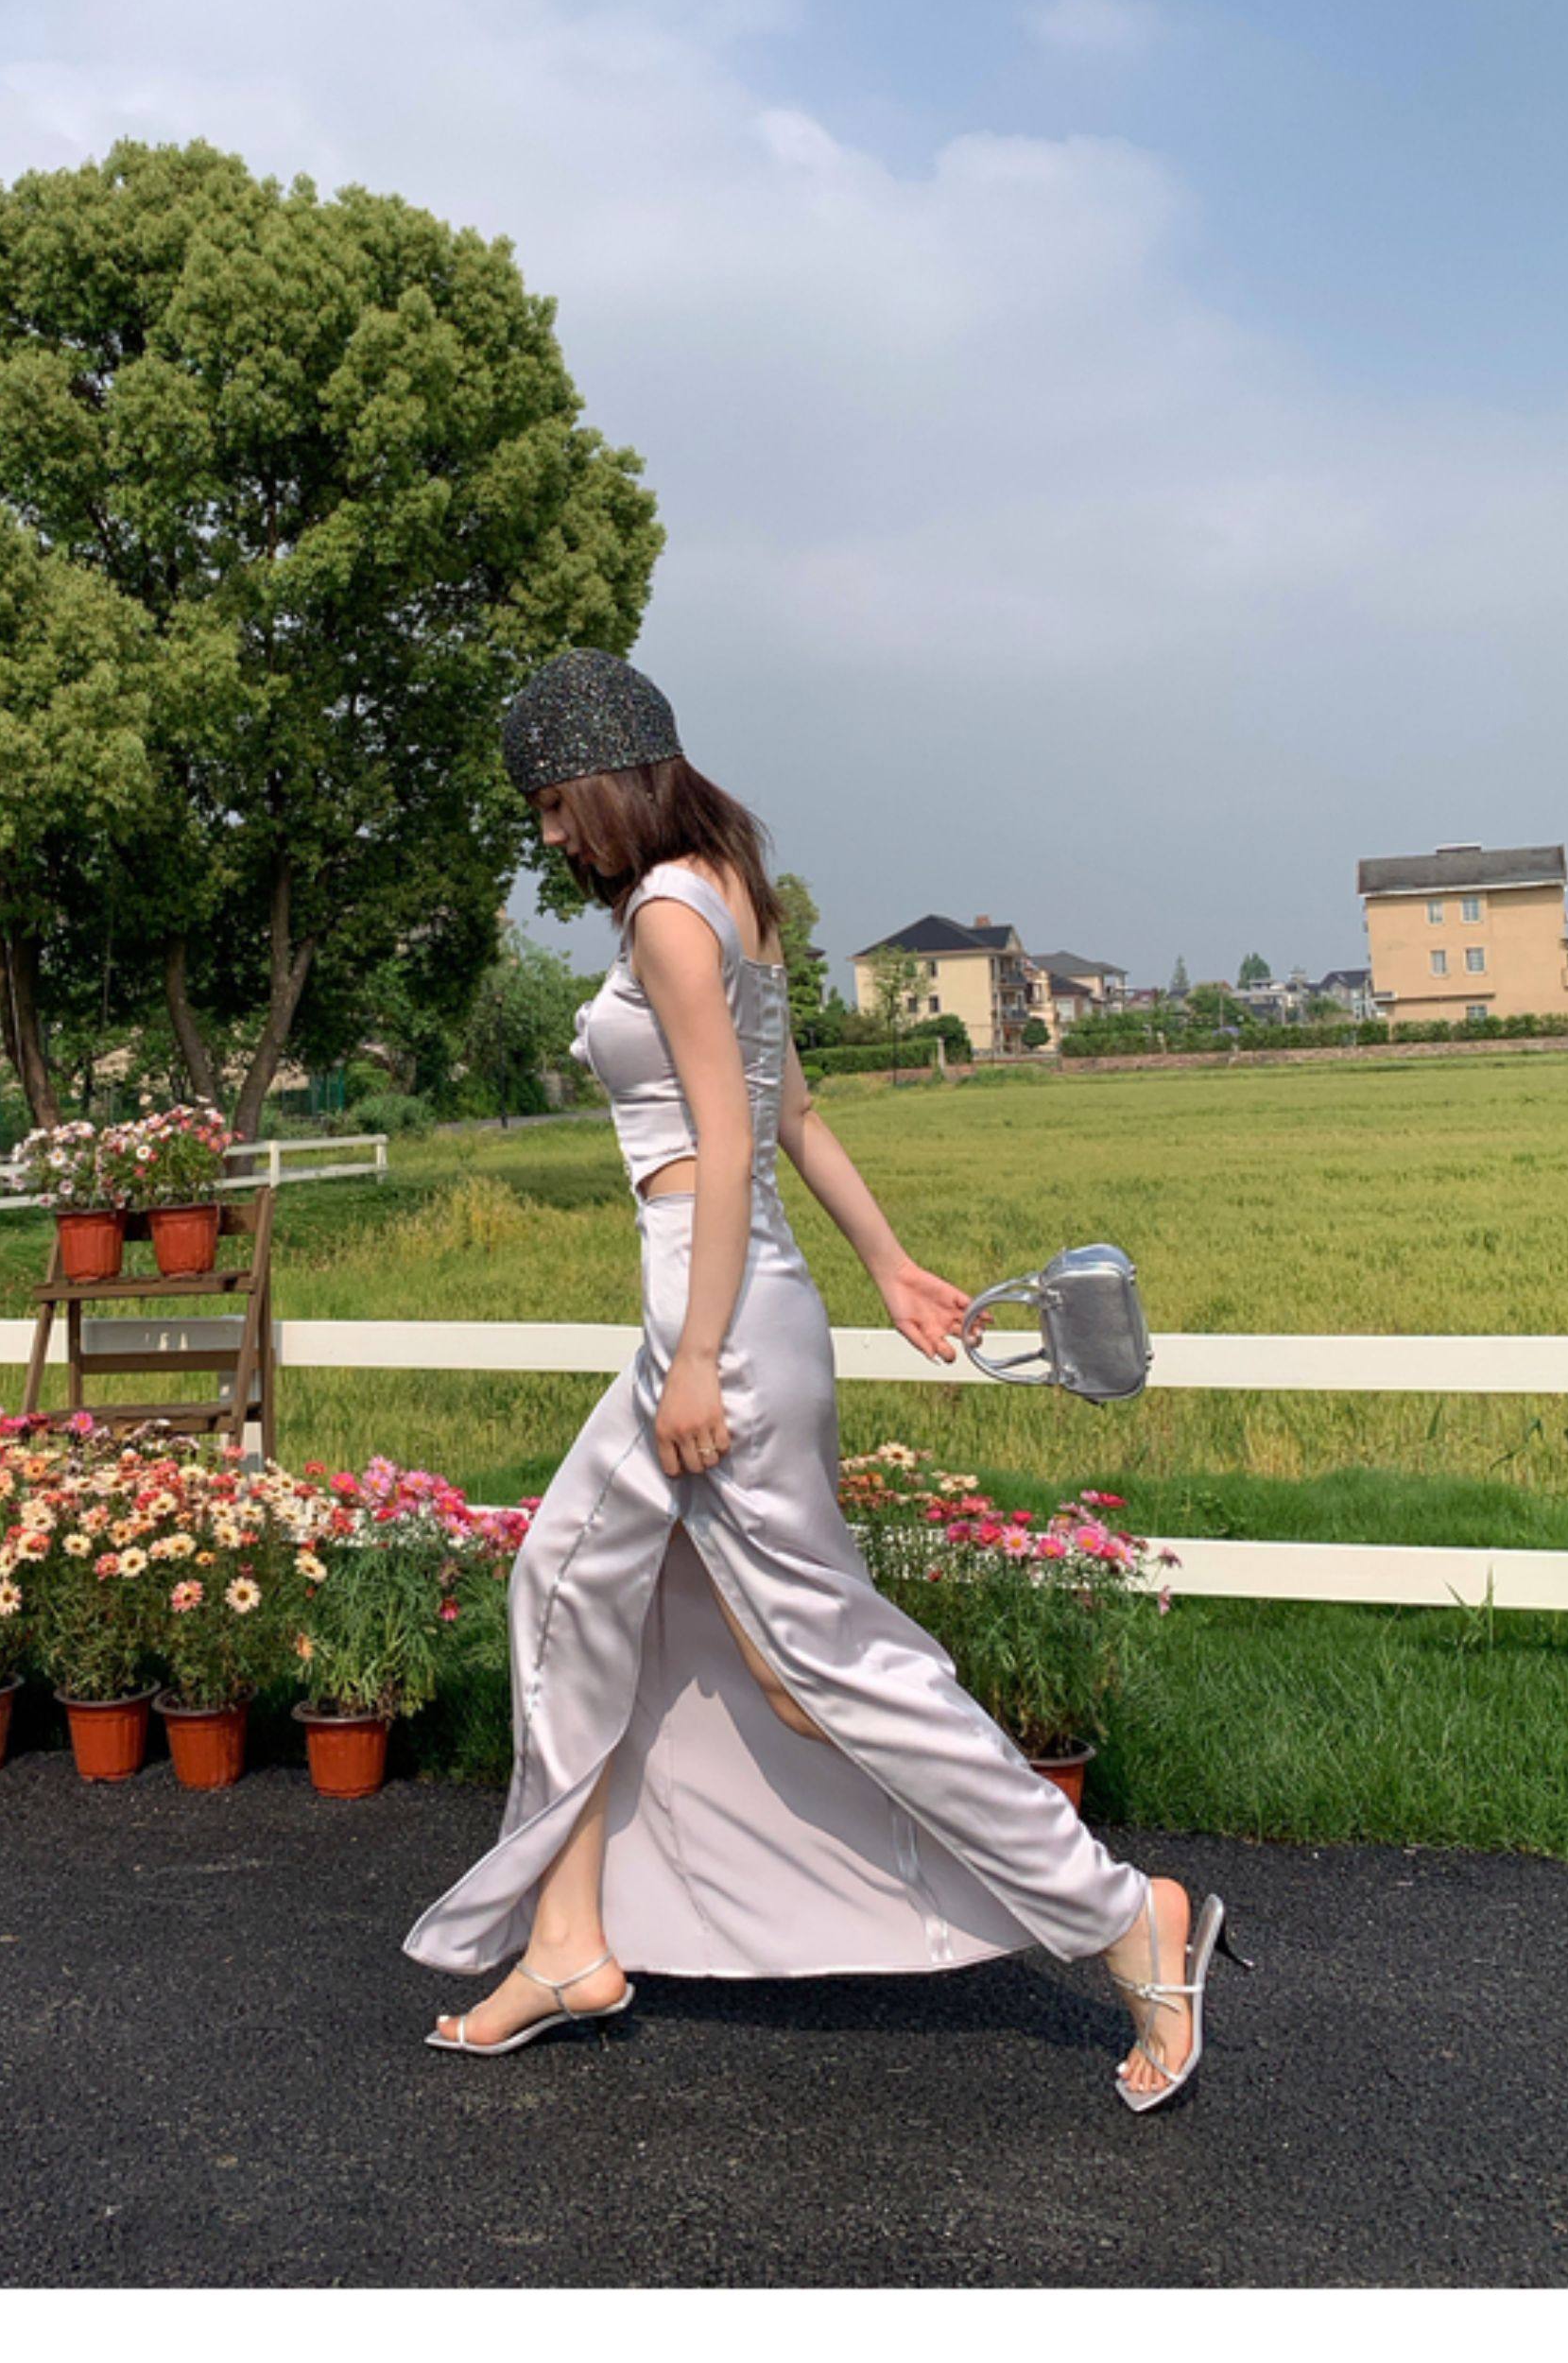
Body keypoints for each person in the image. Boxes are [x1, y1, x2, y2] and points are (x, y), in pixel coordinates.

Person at [403, 649, 1245, 2110]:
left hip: (714, 1316)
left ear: (606, 775)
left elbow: (732, 1142)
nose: (550, 836)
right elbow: (798, 1111)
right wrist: (892, 1264)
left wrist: (697, 1362)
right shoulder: (733, 887)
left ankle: (1126, 1917)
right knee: (567, 1584)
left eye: (551, 803)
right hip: (739, 1301)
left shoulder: (670, 911)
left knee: (824, 1665)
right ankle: (568, 1939)